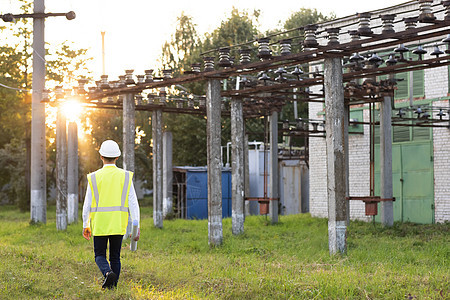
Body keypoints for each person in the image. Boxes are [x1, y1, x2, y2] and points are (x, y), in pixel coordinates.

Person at [82, 140, 140, 289]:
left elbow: (87, 204)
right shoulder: (125, 176)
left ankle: (108, 274)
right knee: (115, 256)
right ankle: (113, 287)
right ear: (117, 157)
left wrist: (85, 225)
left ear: (101, 156)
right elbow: (133, 202)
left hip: (100, 224)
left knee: (99, 255)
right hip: (118, 223)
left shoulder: (94, 177)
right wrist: (136, 225)